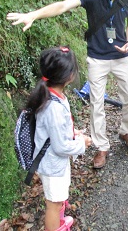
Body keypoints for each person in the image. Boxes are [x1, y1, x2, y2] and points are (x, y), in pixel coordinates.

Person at [7, 0, 128, 169]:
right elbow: (63, 6)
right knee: (97, 103)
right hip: (97, 58)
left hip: (121, 57)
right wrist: (34, 14)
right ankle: (101, 146)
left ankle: (126, 131)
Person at [26, 46, 92, 231]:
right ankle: (55, 226)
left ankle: (61, 222)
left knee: (59, 198)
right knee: (53, 205)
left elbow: (56, 131)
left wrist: (73, 133)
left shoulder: (54, 95)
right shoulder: (52, 107)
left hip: (55, 163)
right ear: (69, 76)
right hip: (52, 165)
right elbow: (61, 146)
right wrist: (82, 143)